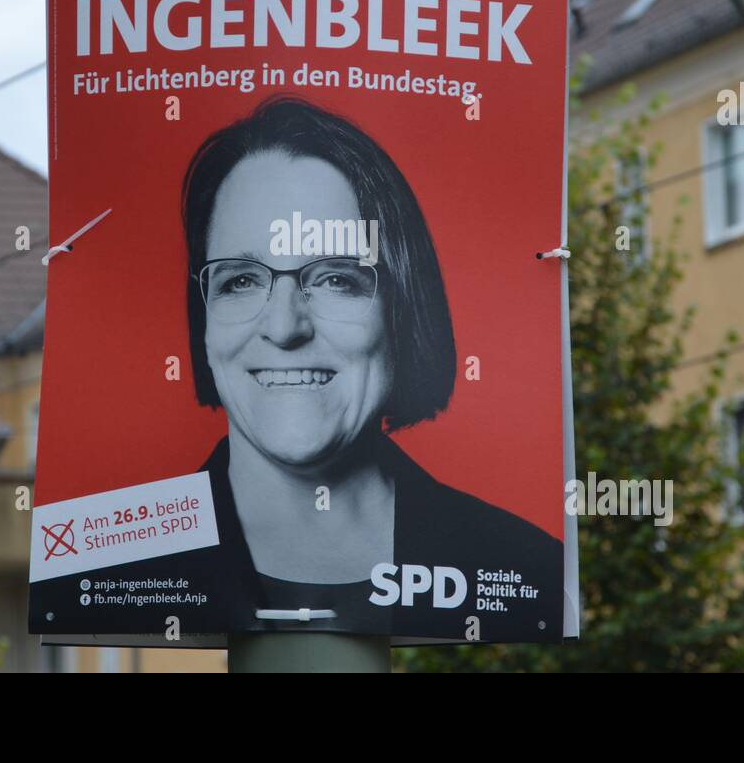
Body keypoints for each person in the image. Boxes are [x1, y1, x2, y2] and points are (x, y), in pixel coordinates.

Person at [170, 96, 563, 642]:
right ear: (204, 319)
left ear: (402, 308)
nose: (285, 328)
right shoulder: (108, 566)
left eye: (336, 279)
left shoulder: (526, 569)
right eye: (241, 279)